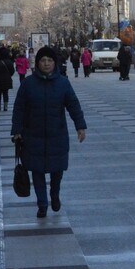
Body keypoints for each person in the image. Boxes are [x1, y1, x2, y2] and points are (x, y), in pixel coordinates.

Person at [11, 46, 87, 218]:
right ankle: (42, 204)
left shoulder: (63, 83)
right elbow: (19, 109)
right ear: (37, 63)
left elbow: (73, 105)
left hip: (57, 135)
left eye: (50, 61)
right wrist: (17, 131)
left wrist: (80, 126)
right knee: (36, 171)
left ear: (55, 63)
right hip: (33, 136)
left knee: (57, 171)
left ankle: (54, 194)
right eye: (43, 61)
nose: (46, 64)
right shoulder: (28, 84)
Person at [0, 46, 15, 111]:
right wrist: (8, 76)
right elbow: (12, 71)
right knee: (5, 93)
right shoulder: (9, 62)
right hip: (7, 80)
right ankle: (5, 107)